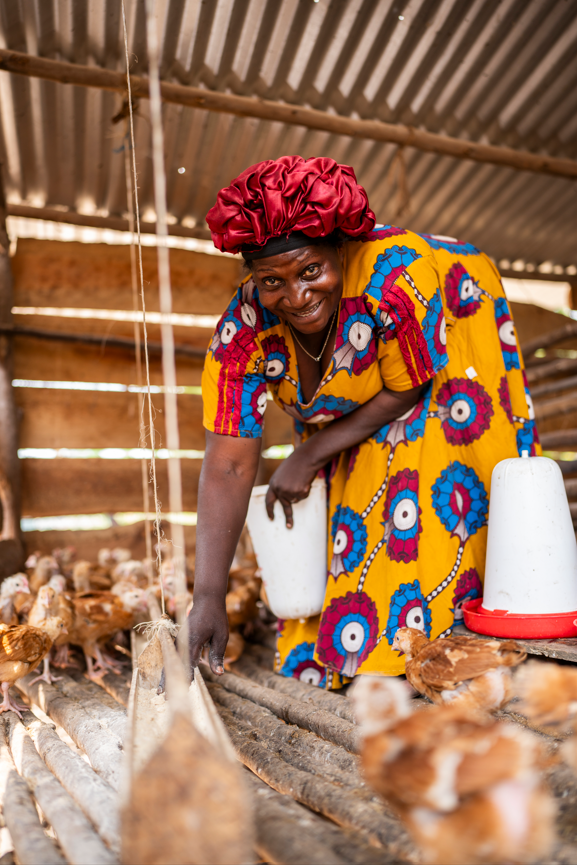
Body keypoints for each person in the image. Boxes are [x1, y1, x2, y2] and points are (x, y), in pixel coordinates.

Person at [187, 155, 538, 689]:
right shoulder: (243, 332)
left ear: (341, 251)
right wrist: (207, 596)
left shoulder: (396, 276)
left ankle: (434, 643)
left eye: (311, 270)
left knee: (424, 461)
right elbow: (229, 465)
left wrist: (306, 454)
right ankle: (354, 638)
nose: (298, 296)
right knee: (346, 473)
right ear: (251, 278)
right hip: (349, 398)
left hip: (453, 312)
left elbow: (409, 386)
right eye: (272, 281)